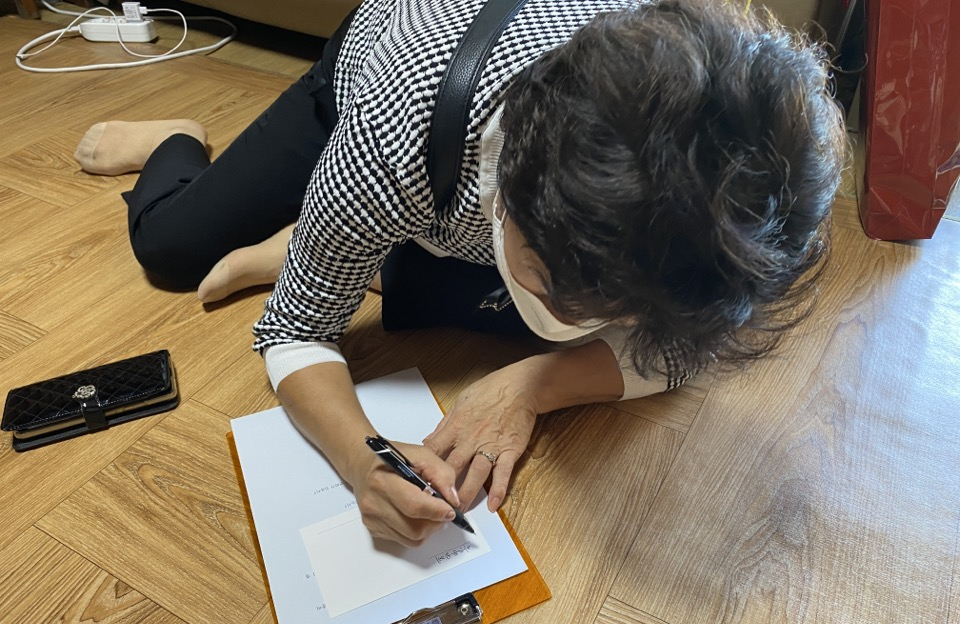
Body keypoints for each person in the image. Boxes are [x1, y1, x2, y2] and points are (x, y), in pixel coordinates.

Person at [75, 0, 846, 546]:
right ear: (503, 198)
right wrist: (361, 459)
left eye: (612, 311)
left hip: (460, 195)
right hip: (387, 72)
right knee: (172, 249)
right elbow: (293, 331)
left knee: (536, 319)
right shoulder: (394, 133)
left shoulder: (737, 199)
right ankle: (184, 146)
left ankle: (339, 249)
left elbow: (698, 341)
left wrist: (535, 384)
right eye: (550, 288)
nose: (574, 324)